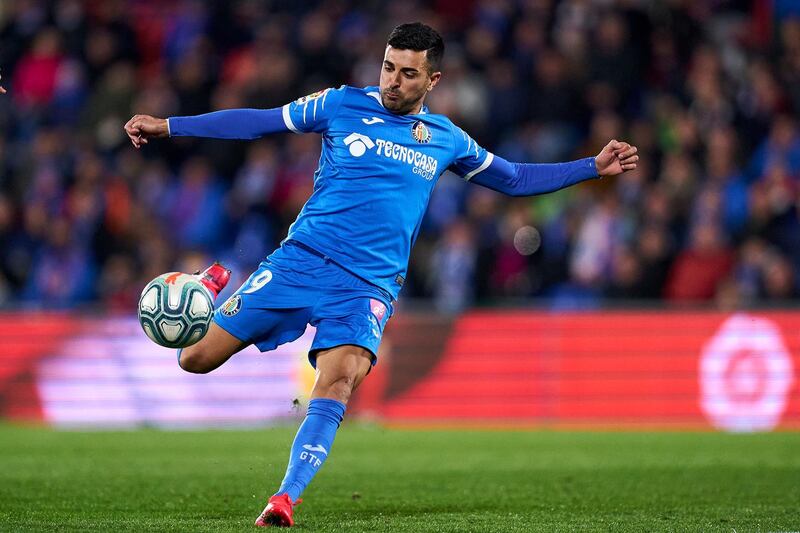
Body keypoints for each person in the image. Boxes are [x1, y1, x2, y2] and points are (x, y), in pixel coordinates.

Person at [124, 22, 638, 528]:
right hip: (300, 262)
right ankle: (211, 284)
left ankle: (284, 498)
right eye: (389, 67)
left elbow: (517, 178)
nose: (393, 81)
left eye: (408, 74)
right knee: (194, 357)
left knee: (341, 379)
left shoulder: (446, 139)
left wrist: (591, 167)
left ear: (432, 81)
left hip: (366, 286)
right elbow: (259, 121)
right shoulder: (340, 104)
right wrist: (170, 126)